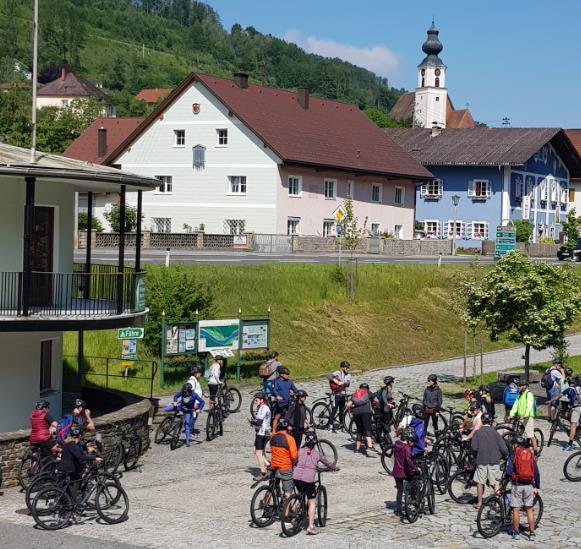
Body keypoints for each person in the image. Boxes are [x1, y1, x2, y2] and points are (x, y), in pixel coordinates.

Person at [292, 431, 338, 535]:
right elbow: (327, 463)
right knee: (312, 501)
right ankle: (310, 526)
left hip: (296, 477)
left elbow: (294, 460)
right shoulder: (317, 454)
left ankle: (295, 516)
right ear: (315, 443)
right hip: (308, 479)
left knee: (301, 494)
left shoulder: (300, 451)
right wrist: (334, 468)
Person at [470, 413, 508, 509]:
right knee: (495, 483)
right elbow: (503, 447)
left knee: (480, 482)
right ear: (490, 421)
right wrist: (505, 456)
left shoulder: (478, 432)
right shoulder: (495, 432)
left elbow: (474, 448)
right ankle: (498, 503)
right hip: (494, 460)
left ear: (482, 421)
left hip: (482, 459)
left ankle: (479, 503)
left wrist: (476, 454)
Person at [507, 436, 540, 541]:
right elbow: (536, 472)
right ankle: (532, 533)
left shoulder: (514, 455)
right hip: (529, 486)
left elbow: (508, 471)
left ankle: (516, 532)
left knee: (516, 509)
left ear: (515, 445)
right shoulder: (530, 454)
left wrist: (507, 478)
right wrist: (536, 487)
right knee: (529, 509)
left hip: (517, 485)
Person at [58, 426, 102, 501]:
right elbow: (81, 457)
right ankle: (73, 506)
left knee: (75, 481)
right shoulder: (72, 445)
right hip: (69, 469)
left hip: (67, 467)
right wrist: (94, 458)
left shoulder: (68, 444)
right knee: (76, 482)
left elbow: (80, 455)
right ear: (78, 437)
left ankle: (70, 502)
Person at [164, 383, 205, 447]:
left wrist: (199, 409)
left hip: (188, 410)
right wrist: (175, 401)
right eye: (184, 391)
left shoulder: (194, 395)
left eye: (186, 391)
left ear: (189, 390)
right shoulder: (182, 392)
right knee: (166, 409)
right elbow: (176, 396)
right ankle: (168, 421)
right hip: (181, 406)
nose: (184, 392)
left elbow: (202, 402)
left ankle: (187, 441)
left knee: (187, 425)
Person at [549, 374, 581, 451]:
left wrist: (550, 401)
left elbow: (559, 396)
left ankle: (570, 445)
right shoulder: (580, 388)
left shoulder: (569, 389)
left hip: (577, 408)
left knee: (573, 425)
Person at [392, 427, 418, 518]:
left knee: (399, 490)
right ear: (408, 440)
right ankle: (413, 500)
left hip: (396, 471)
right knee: (413, 482)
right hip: (405, 471)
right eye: (411, 441)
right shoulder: (406, 448)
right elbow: (408, 460)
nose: (412, 443)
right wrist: (415, 468)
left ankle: (398, 510)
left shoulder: (396, 445)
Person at [269, 418, 298, 498]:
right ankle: (286, 508)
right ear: (287, 427)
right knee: (287, 491)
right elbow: (294, 456)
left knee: (271, 487)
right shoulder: (290, 439)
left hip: (274, 466)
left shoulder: (273, 437)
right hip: (285, 467)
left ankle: (264, 503)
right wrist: (296, 462)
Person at [510, 380, 537, 452]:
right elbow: (515, 405)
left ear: (526, 386)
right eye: (520, 385)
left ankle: (536, 451)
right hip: (520, 417)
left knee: (531, 435)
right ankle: (520, 449)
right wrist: (511, 414)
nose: (520, 387)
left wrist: (525, 415)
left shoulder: (529, 394)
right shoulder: (520, 394)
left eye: (522, 385)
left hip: (528, 417)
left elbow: (529, 405)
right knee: (520, 434)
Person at [250, 392, 272, 480]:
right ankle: (268, 465)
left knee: (258, 453)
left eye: (256, 400)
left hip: (262, 433)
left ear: (262, 400)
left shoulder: (263, 408)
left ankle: (263, 472)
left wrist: (252, 422)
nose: (255, 401)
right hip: (265, 432)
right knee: (257, 450)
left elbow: (259, 422)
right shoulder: (263, 407)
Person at [348, 383, 375, 454]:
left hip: (356, 413)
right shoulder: (368, 392)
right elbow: (377, 400)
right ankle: (370, 446)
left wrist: (351, 409)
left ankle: (357, 449)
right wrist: (376, 405)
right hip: (366, 412)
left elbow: (348, 404)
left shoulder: (355, 393)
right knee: (367, 429)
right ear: (367, 388)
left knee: (359, 430)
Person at [272, 367, 297, 433]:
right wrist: (277, 396)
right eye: (286, 374)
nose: (288, 375)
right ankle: (273, 431)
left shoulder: (290, 381)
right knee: (277, 417)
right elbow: (274, 390)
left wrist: (297, 393)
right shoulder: (277, 381)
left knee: (291, 415)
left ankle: (289, 430)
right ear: (281, 374)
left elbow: (295, 389)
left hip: (288, 401)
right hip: (281, 402)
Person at [328, 361, 351, 432]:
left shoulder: (348, 375)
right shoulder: (337, 373)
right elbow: (328, 376)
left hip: (343, 394)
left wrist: (343, 383)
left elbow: (348, 384)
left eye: (348, 368)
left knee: (342, 410)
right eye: (346, 368)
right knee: (334, 410)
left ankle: (341, 424)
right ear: (343, 368)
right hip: (336, 394)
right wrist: (336, 381)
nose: (347, 369)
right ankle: (330, 425)